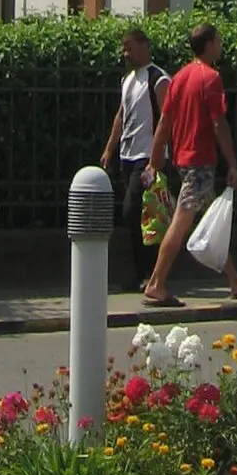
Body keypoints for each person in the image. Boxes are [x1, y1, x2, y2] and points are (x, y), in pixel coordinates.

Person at [142, 20, 237, 305]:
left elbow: (164, 122)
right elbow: (219, 124)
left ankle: (235, 280)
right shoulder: (210, 78)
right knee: (181, 223)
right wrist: (232, 162)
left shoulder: (180, 78)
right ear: (208, 45)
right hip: (199, 162)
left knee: (211, 222)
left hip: (184, 160)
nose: (220, 45)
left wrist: (155, 161)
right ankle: (156, 283)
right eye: (218, 40)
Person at [99, 26, 169, 292]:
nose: (125, 53)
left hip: (148, 156)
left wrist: (158, 156)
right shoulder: (128, 80)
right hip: (128, 156)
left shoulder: (158, 79)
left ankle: (150, 271)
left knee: (135, 212)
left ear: (144, 45)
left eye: (129, 47)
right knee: (135, 217)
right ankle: (140, 273)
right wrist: (110, 149)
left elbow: (167, 117)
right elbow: (121, 116)